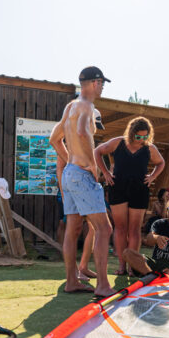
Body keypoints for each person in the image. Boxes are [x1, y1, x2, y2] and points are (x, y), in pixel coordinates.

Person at [49, 66, 114, 297]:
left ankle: (71, 281)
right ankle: (103, 285)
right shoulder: (87, 106)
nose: (103, 87)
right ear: (95, 83)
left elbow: (54, 139)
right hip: (80, 173)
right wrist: (91, 164)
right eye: (102, 83)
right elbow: (82, 132)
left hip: (70, 173)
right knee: (104, 228)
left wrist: (72, 162)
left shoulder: (70, 106)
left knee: (73, 229)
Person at [95, 116, 165, 275]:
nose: (141, 139)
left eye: (145, 136)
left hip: (139, 188)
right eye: (138, 136)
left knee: (134, 229)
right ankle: (121, 265)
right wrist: (105, 173)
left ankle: (132, 266)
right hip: (117, 186)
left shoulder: (149, 148)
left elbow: (161, 162)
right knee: (120, 227)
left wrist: (153, 176)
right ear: (131, 133)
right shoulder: (118, 142)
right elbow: (98, 151)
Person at [56, 108, 106, 282]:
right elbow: (60, 167)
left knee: (88, 228)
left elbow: (55, 142)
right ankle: (87, 277)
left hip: (73, 182)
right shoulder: (76, 138)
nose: (96, 128)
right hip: (77, 183)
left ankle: (81, 269)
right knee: (101, 228)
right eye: (95, 124)